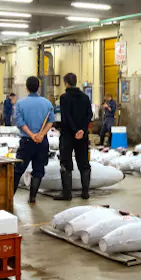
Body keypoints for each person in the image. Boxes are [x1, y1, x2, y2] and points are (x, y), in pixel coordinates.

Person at [12, 76, 55, 204]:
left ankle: (9, 198)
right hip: (42, 142)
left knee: (17, 170)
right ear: (39, 87)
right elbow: (50, 122)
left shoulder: (20, 103)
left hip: (27, 142)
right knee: (38, 170)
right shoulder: (47, 103)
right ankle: (32, 198)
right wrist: (41, 135)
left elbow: (20, 123)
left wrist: (32, 135)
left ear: (26, 88)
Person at [54, 73, 92, 201]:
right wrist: (82, 130)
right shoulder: (85, 97)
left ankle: (67, 193)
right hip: (83, 135)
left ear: (66, 83)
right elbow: (89, 115)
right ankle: (85, 192)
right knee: (84, 163)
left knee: (66, 162)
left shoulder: (64, 97)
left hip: (68, 135)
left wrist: (74, 130)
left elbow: (66, 117)